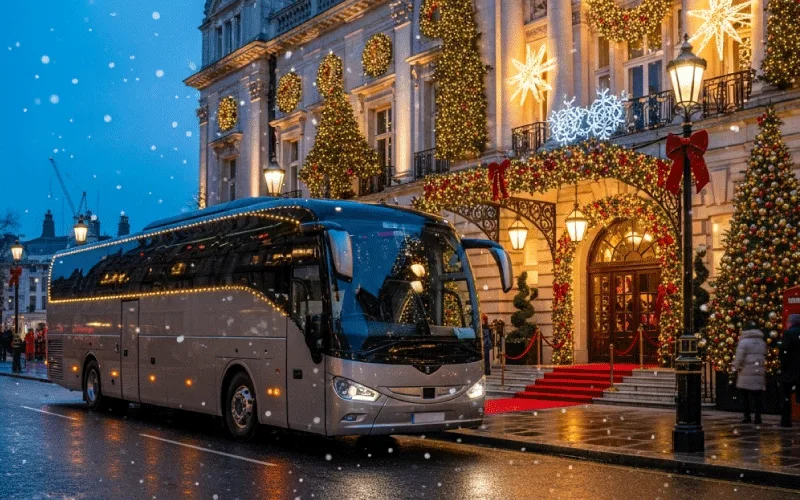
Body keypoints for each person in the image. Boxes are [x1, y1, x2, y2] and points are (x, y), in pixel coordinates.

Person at [733, 321, 767, 424]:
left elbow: (739, 358)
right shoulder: (762, 342)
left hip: (746, 372)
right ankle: (758, 417)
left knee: (745, 397)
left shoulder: (744, 342)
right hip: (758, 371)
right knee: (757, 397)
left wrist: (735, 367)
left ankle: (746, 416)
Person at [779, 314, 800, 427]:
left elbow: (784, 351)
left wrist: (783, 364)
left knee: (786, 397)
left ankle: (786, 421)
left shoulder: (788, 333)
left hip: (790, 371)